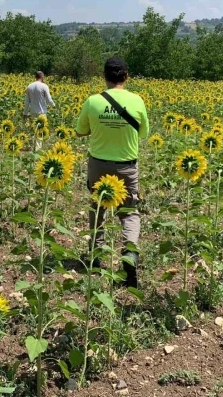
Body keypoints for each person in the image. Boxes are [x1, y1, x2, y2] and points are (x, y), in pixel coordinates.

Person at [75, 57, 149, 288]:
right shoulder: (137, 101)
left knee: (97, 209)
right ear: (126, 76)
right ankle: (129, 254)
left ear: (104, 76)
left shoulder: (93, 101)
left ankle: (96, 258)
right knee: (129, 212)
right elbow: (143, 134)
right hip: (126, 165)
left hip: (99, 163)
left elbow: (80, 131)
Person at [24, 71, 55, 149]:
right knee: (40, 131)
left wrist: (25, 113)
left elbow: (27, 101)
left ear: (35, 76)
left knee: (35, 130)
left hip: (33, 112)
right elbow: (48, 99)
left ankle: (35, 147)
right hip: (41, 113)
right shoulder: (44, 86)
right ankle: (37, 150)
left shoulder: (29, 86)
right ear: (42, 76)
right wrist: (53, 105)